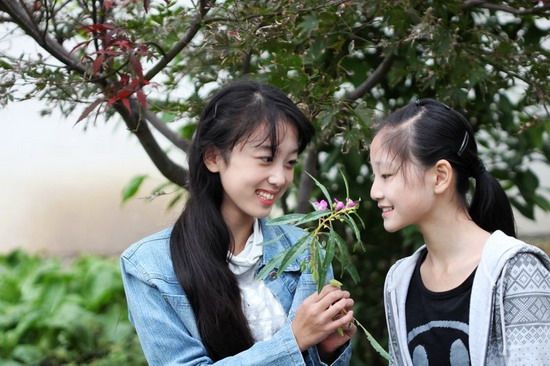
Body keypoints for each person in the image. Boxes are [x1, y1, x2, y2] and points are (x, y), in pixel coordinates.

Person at [120, 80, 356, 365]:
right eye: (265, 159)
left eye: (290, 162)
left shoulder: (307, 251)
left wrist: (328, 351)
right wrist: (293, 340)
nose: (280, 177)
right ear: (213, 158)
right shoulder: (149, 267)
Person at [369, 99, 550, 365]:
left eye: (386, 175)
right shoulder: (399, 281)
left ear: (440, 176)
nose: (375, 191)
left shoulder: (517, 270)